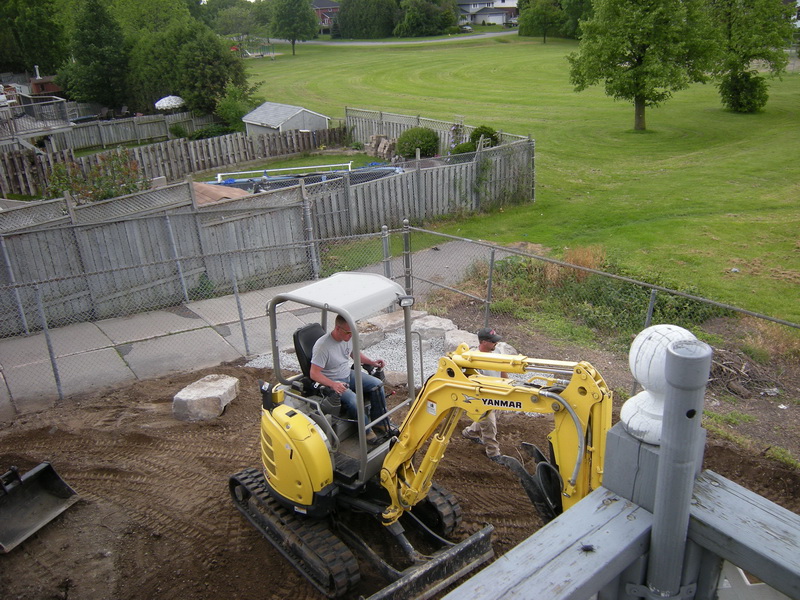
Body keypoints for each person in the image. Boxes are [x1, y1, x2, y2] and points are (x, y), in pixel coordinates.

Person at [310, 314, 397, 444]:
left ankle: (380, 422)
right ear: (338, 329)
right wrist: (333, 384)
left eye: (352, 332)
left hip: (347, 374)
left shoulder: (347, 338)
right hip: (334, 381)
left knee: (377, 384)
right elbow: (314, 374)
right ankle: (366, 430)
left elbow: (355, 354)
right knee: (354, 400)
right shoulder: (322, 347)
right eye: (348, 332)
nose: (351, 335)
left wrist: (372, 362)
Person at [462, 327, 508, 461]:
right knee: (489, 425)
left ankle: (469, 432)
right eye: (493, 341)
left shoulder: (497, 351)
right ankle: (493, 453)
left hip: (496, 392)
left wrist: (508, 385)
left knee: (492, 416)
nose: (496, 343)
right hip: (481, 397)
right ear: (483, 342)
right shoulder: (472, 358)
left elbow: (503, 370)